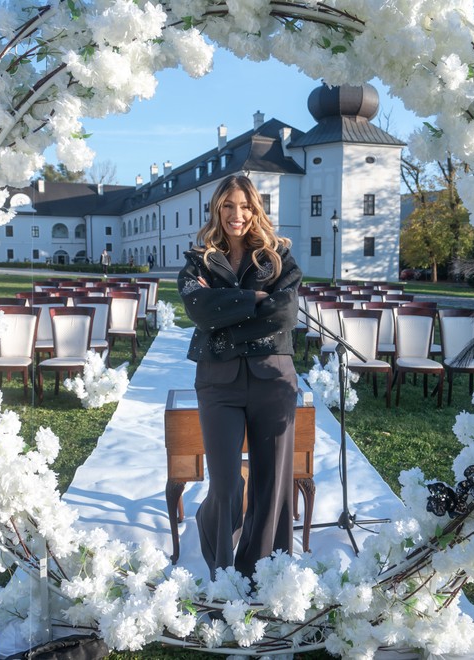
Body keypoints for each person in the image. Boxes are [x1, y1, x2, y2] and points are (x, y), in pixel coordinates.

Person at [178, 175, 302, 582]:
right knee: (226, 485)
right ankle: (223, 579)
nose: (237, 214)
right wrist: (255, 299)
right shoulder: (197, 261)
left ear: (256, 209)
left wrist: (226, 314)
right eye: (228, 206)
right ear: (217, 209)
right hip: (218, 381)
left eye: (245, 206)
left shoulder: (279, 256)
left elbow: (284, 314)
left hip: (273, 379)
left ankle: (260, 576)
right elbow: (200, 311)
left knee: (271, 486)